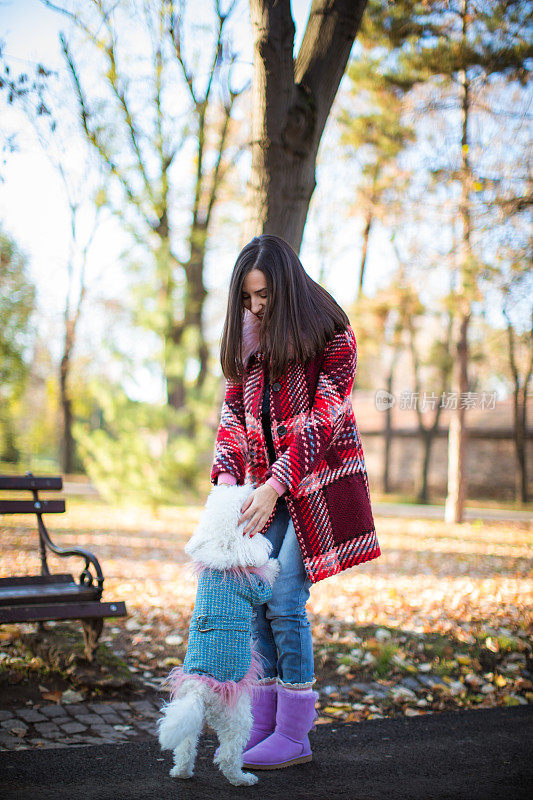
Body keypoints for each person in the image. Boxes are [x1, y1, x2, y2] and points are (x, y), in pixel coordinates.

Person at [211, 234, 380, 770]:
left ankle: (294, 734)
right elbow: (233, 416)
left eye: (263, 297)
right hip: (262, 490)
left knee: (284, 598)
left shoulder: (332, 335)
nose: (255, 308)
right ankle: (263, 723)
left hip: (311, 489)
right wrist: (226, 480)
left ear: (285, 287)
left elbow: (324, 422)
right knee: (257, 598)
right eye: (246, 298)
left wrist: (273, 484)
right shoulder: (248, 338)